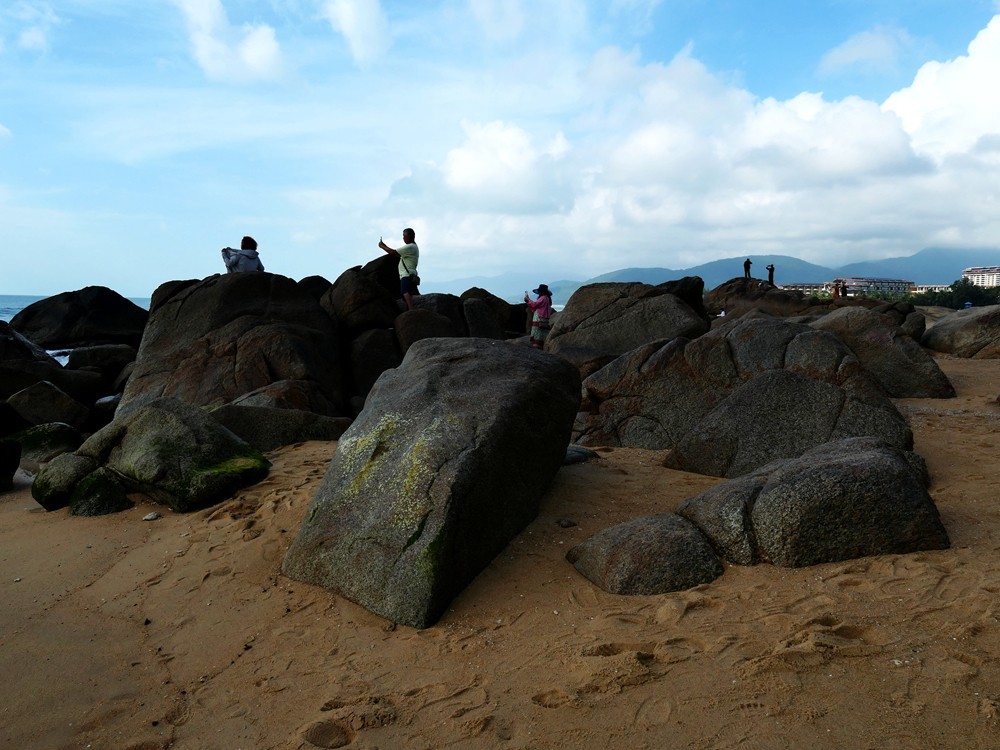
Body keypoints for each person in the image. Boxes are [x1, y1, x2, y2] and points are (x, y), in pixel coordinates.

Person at [379, 228, 420, 310]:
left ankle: (411, 309)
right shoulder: (413, 247)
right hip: (410, 274)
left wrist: (382, 246)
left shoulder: (410, 247)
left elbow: (393, 252)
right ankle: (409, 308)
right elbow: (396, 253)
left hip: (406, 274)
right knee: (407, 293)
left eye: (404, 236)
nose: (403, 238)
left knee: (405, 292)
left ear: (408, 236)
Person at [524, 284, 553, 349]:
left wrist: (528, 299)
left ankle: (536, 348)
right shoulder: (547, 298)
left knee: (537, 333)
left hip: (539, 319)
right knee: (542, 335)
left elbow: (534, 305)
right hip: (545, 320)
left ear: (541, 291)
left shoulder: (543, 298)